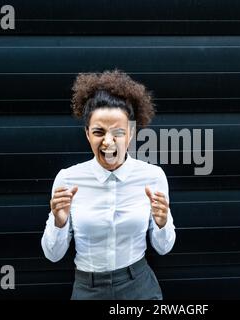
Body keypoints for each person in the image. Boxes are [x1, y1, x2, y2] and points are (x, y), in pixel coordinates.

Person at [41, 70, 176, 300]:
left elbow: (164, 248)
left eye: (118, 132)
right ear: (87, 134)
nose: (108, 141)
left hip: (139, 286)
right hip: (87, 288)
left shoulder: (153, 177)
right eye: (98, 132)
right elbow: (53, 255)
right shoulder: (68, 180)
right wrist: (59, 222)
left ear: (131, 133)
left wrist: (162, 223)